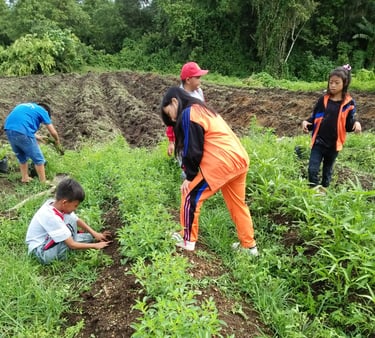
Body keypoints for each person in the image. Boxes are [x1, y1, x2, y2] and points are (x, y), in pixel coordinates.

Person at [161, 87, 258, 256]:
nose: (173, 118)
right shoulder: (202, 109)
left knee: (189, 195)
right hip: (239, 159)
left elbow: (193, 149)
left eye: (170, 113)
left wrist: (190, 176)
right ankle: (249, 247)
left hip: (222, 163)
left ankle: (187, 240)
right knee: (237, 204)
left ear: (175, 102)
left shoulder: (188, 113)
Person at [26, 178, 112, 265]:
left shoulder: (55, 204)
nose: (76, 209)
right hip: (41, 253)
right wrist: (95, 246)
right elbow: (71, 244)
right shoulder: (51, 217)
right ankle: (76, 243)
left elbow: (76, 220)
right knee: (70, 241)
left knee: (72, 221)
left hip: (48, 241)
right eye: (75, 205)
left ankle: (84, 238)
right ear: (64, 202)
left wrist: (95, 234)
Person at [302, 64, 361, 189]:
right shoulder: (323, 100)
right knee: (312, 169)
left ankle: (324, 192)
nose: (333, 85)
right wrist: (307, 123)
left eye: (336, 83)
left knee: (327, 172)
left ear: (344, 83)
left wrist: (356, 123)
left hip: (334, 144)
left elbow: (348, 125)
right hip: (318, 142)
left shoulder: (349, 103)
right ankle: (314, 192)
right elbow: (315, 117)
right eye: (331, 82)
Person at [4, 102, 60, 183]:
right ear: (47, 112)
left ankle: (25, 178)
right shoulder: (43, 111)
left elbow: (21, 124)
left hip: (9, 129)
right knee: (39, 159)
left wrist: (39, 137)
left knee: (22, 156)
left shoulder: (25, 106)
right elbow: (53, 132)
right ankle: (43, 182)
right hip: (22, 132)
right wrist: (57, 141)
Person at [166, 62, 208, 157]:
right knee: (186, 161)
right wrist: (171, 142)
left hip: (198, 132)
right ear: (188, 80)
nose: (200, 81)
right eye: (197, 78)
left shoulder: (199, 92)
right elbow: (171, 122)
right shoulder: (177, 99)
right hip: (184, 137)